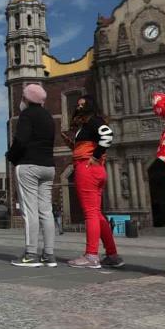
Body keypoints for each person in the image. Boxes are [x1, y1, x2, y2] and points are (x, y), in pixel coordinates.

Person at [62, 96, 124, 269]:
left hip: (87, 168)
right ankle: (112, 254)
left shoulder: (93, 122)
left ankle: (91, 255)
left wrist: (95, 157)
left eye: (83, 104)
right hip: (95, 170)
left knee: (90, 213)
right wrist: (73, 145)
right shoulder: (88, 125)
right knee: (96, 214)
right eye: (78, 104)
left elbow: (107, 134)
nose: (79, 107)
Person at [7, 84, 57, 268]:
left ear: (27, 99)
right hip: (48, 167)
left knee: (30, 211)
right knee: (46, 210)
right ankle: (49, 254)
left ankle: (30, 254)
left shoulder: (27, 115)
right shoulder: (48, 117)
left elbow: (21, 140)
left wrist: (11, 156)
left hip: (29, 165)